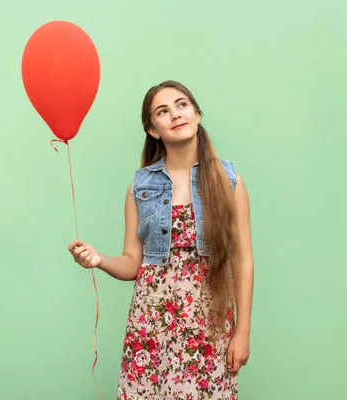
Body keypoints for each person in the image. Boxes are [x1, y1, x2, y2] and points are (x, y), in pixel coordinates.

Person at [68, 80, 254, 400]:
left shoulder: (228, 180)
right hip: (152, 321)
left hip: (208, 321)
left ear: (196, 113)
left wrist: (243, 331)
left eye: (182, 105)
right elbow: (132, 263)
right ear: (153, 130)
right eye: (163, 111)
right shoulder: (140, 187)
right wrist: (100, 260)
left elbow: (243, 259)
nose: (176, 115)